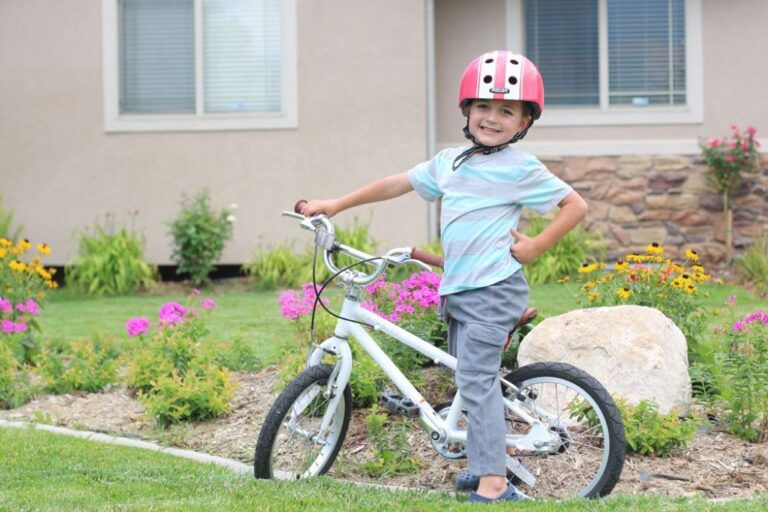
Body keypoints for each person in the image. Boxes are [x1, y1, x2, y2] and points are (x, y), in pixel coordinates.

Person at [301, 50, 588, 503]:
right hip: (458, 291)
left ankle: (494, 484)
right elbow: (399, 183)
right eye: (483, 107)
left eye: (506, 110)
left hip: (494, 291)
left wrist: (536, 246)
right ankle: (486, 464)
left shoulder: (520, 168)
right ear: (466, 111)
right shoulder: (451, 162)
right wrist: (336, 204)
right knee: (471, 381)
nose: (492, 118)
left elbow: (576, 205)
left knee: (475, 379)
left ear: (523, 123)